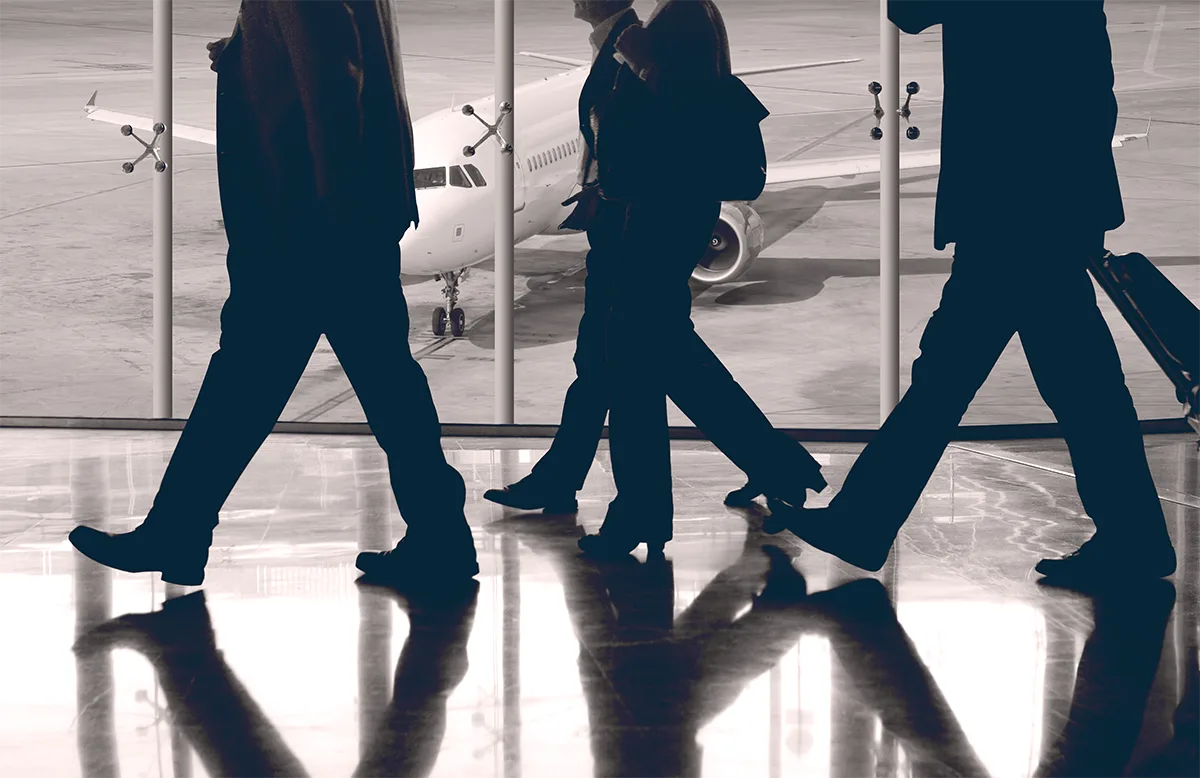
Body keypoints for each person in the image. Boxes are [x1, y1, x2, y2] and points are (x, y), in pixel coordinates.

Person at [67, 0, 478, 590]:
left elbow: (333, 85)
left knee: (250, 379)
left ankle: (177, 531)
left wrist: (334, 213)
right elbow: (337, 61)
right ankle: (440, 537)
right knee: (380, 385)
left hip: (308, 220)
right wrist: (244, 56)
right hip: (347, 215)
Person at [771, 0, 1177, 583]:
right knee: (1070, 381)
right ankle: (1135, 537)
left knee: (962, 375)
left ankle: (863, 520)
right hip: (1047, 198)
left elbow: (908, 10)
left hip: (1011, 202)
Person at [485, 0, 827, 559]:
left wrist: (643, 74)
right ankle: (767, 470)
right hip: (643, 223)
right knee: (643, 364)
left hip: (648, 228)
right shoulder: (667, 25)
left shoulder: (664, 31)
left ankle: (642, 509)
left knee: (635, 373)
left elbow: (666, 129)